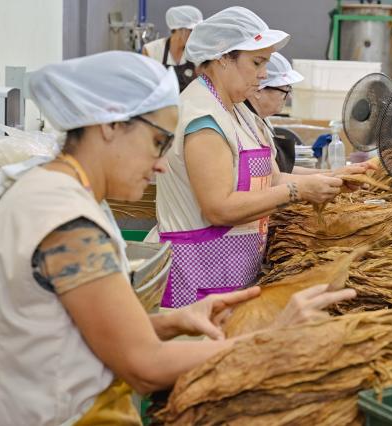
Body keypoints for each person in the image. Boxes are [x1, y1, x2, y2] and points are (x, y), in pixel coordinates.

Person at [0, 51, 355, 425]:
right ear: (111, 125)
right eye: (157, 143)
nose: (162, 164)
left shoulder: (53, 193)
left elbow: (64, 334)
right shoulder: (67, 224)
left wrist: (172, 323)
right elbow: (144, 367)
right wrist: (270, 338)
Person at [153, 7, 372, 308]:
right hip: (198, 275)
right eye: (256, 62)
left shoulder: (239, 111)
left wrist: (334, 178)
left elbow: (272, 177)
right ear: (221, 58)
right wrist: (299, 192)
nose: (264, 74)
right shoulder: (203, 119)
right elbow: (219, 209)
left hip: (235, 268)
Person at [246, 52, 375, 176]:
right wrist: (331, 177)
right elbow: (275, 179)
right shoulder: (247, 128)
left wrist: (336, 173)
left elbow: (284, 171)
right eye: (284, 90)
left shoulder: (262, 121)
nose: (289, 97)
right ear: (258, 90)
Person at [142, 5, 202, 91]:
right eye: (192, 30)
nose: (195, 35)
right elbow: (146, 85)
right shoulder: (151, 50)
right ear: (179, 29)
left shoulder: (197, 52)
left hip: (188, 102)